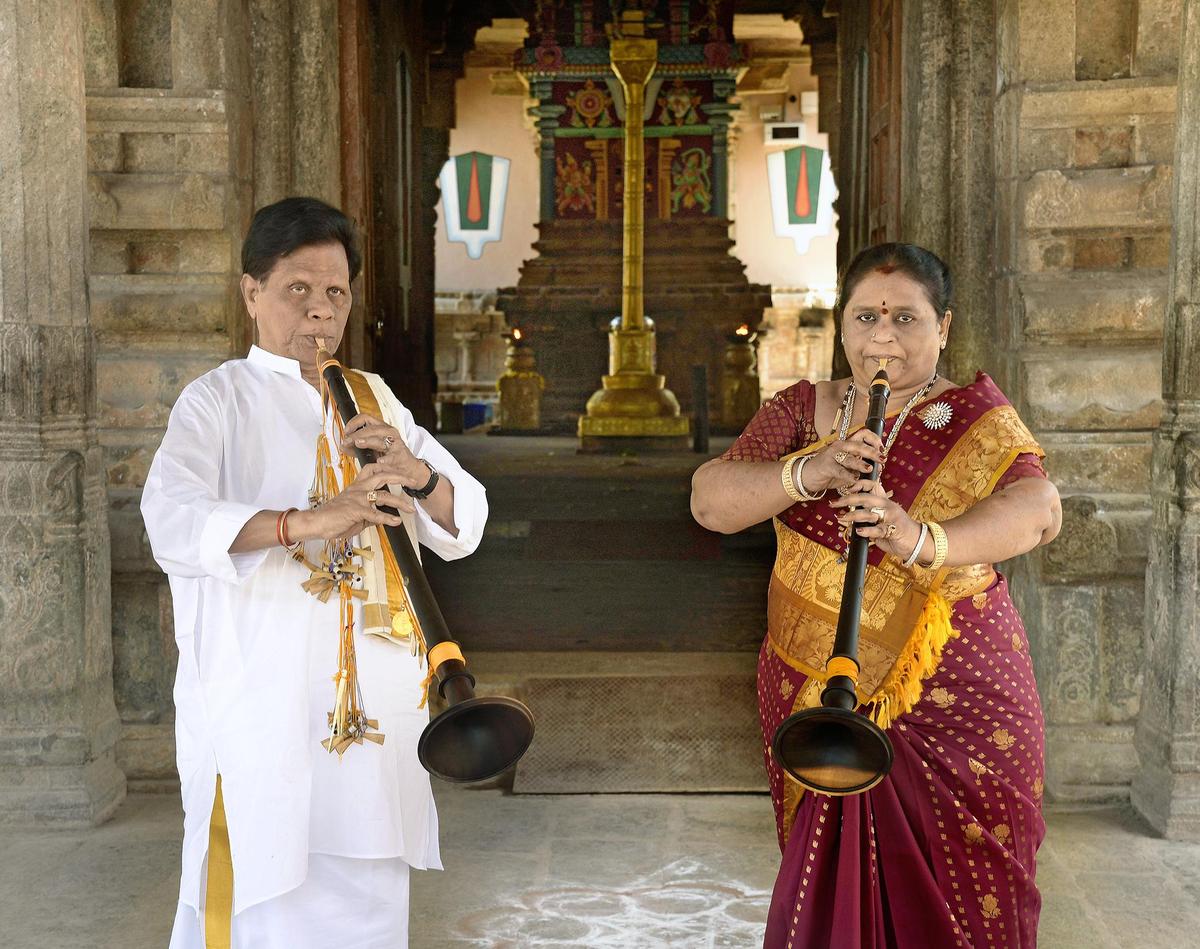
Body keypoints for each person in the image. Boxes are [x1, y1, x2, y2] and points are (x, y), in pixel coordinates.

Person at [691, 243, 1061, 947]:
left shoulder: (976, 415)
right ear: (842, 325)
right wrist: (813, 469)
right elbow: (711, 502)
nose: (882, 336)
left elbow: (1040, 508)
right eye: (865, 316)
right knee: (832, 892)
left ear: (943, 326)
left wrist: (918, 538)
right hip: (815, 690)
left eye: (905, 318)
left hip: (959, 696)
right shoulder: (804, 410)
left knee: (970, 899)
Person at [141, 196, 487, 948]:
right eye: (298, 288)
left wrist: (417, 472)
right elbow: (171, 519)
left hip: (375, 728)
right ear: (251, 293)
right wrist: (310, 520)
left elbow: (468, 519)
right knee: (261, 902)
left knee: (367, 906)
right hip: (265, 716)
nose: (319, 312)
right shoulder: (216, 402)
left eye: (335, 293)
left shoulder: (371, 398)